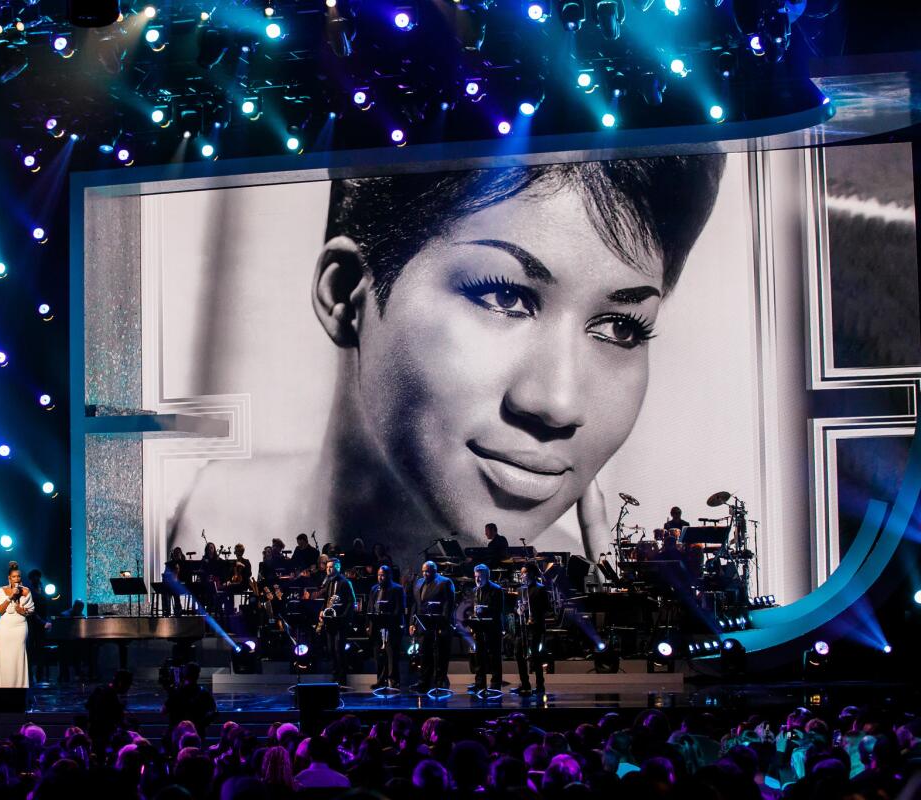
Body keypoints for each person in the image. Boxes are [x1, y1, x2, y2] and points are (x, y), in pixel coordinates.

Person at [170, 158, 726, 559]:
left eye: (620, 327)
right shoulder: (161, 520)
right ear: (345, 294)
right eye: (505, 296)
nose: (558, 403)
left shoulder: (581, 603)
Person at [0, 561, 34, 703]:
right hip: (6, 627)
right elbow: (0, 610)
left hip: (20, 627)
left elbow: (31, 611)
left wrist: (22, 610)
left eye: (18, 576)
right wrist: (11, 596)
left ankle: (19, 691)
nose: (16, 579)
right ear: (9, 578)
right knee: (4, 657)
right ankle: (1, 689)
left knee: (18, 657)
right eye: (14, 577)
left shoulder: (26, 591)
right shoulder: (2, 590)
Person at [409, 560, 455, 691]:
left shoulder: (445, 582)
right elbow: (415, 604)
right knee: (424, 654)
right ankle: (423, 682)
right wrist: (412, 623)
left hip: (439, 625)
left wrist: (444, 624)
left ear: (435, 571)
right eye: (423, 571)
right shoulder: (418, 583)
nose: (425, 574)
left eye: (428, 571)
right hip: (423, 625)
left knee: (440, 655)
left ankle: (440, 682)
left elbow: (448, 605)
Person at [512, 561, 552, 696]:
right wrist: (519, 610)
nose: (522, 576)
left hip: (535, 626)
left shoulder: (540, 589)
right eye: (521, 573)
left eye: (524, 573)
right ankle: (525, 683)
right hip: (522, 628)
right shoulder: (520, 590)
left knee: (535, 656)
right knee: (518, 653)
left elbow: (547, 608)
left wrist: (531, 610)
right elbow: (516, 608)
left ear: (532, 574)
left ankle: (540, 685)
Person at [367, 564, 405, 689]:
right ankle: (380, 680)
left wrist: (390, 619)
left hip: (392, 627)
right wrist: (369, 624)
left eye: (382, 575)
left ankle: (393, 680)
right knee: (378, 654)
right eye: (378, 575)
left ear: (389, 575)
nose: (380, 577)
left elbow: (399, 609)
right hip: (377, 627)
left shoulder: (397, 589)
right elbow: (370, 607)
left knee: (391, 654)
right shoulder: (374, 589)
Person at [319, 557, 356, 685]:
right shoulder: (328, 582)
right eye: (327, 567)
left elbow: (352, 602)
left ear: (338, 568)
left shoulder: (345, 582)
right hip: (330, 621)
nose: (328, 569)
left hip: (340, 621)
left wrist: (344, 617)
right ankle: (335, 676)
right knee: (330, 649)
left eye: (331, 567)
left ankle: (342, 679)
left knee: (338, 649)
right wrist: (322, 611)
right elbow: (326, 599)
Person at [470, 563, 505, 691]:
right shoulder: (475, 590)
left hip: (493, 628)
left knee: (494, 656)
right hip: (479, 628)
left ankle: (495, 683)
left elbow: (498, 610)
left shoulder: (496, 589)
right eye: (475, 577)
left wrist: (483, 609)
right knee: (479, 656)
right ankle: (480, 683)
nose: (477, 580)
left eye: (479, 577)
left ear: (486, 576)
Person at [162, 662, 216, 741]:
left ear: (184, 675)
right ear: (198, 675)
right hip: (197, 733)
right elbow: (213, 712)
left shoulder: (177, 692)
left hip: (178, 733)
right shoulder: (204, 693)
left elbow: (163, 711)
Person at [25, 568, 53, 685]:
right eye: (35, 577)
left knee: (41, 650)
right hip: (32, 624)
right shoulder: (28, 591)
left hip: (42, 624)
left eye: (38, 576)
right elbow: (31, 611)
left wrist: (47, 621)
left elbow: (46, 608)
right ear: (31, 579)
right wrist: (43, 622)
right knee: (30, 650)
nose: (37, 579)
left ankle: (40, 674)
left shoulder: (42, 589)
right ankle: (29, 675)